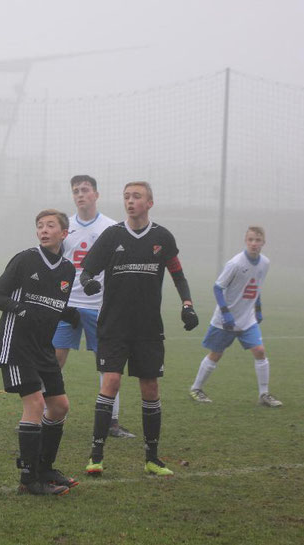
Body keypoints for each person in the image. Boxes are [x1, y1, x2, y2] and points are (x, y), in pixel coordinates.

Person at [79, 181, 199, 477]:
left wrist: (187, 305)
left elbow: (178, 275)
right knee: (111, 383)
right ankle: (96, 457)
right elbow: (87, 270)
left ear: (150, 202)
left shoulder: (162, 237)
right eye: (126, 197)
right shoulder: (112, 235)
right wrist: (88, 282)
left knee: (151, 388)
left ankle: (152, 458)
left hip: (147, 328)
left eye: (136, 197)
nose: (130, 202)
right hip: (113, 325)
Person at [0, 209, 82, 496]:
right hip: (16, 344)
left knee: (60, 407)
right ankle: (29, 480)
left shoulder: (67, 270)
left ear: (63, 233)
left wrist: (70, 314)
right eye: (39, 226)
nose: (43, 230)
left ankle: (46, 468)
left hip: (43, 348)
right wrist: (21, 308)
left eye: (50, 226)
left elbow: (51, 305)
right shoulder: (25, 259)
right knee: (36, 404)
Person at [52, 175, 135, 439]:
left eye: (85, 190)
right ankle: (44, 413)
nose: (80, 194)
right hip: (68, 306)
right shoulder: (64, 227)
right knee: (53, 359)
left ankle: (111, 421)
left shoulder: (111, 228)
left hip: (100, 307)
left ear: (96, 195)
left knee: (107, 365)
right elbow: (53, 263)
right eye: (76, 190)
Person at [189, 226, 282, 407]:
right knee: (216, 354)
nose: (254, 244)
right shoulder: (235, 264)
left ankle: (264, 394)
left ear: (264, 242)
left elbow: (256, 286)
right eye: (250, 240)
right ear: (245, 241)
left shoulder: (265, 263)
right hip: (226, 320)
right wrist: (226, 313)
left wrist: (258, 308)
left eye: (258, 240)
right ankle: (196, 388)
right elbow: (217, 287)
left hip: (247, 319)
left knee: (260, 351)